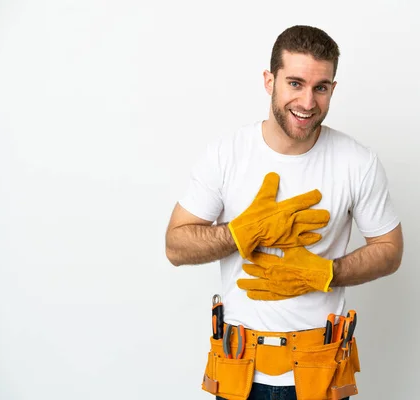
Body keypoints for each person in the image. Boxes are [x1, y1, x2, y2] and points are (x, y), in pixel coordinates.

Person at [165, 25, 404, 400]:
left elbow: (390, 250)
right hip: (239, 368)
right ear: (269, 80)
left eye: (320, 87)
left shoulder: (357, 162)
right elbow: (175, 246)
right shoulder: (227, 154)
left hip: (319, 369)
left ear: (332, 89)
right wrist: (239, 233)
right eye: (295, 83)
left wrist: (328, 272)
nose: (307, 102)